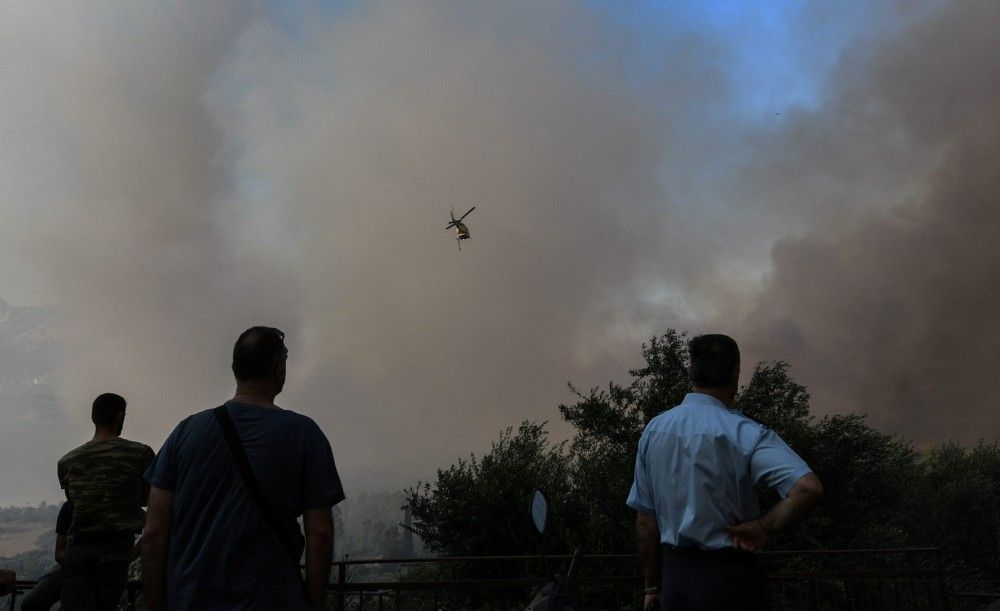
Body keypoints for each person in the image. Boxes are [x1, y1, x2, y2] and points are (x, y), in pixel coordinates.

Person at [142, 326, 345, 610]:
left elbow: (152, 534)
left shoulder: (185, 432)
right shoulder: (304, 434)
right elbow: (320, 535)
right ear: (279, 369)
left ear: (235, 368)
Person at [627, 334, 823, 611]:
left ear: (691, 372)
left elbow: (646, 522)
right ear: (735, 373)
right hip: (732, 580)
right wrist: (764, 527)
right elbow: (808, 488)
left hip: (676, 582)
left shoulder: (654, 430)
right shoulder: (745, 432)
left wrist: (652, 587)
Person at [57, 393, 154, 611]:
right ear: (120, 416)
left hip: (77, 551)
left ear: (94, 418)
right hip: (116, 550)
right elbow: (148, 499)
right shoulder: (140, 454)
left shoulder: (66, 462)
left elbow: (75, 504)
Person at [20, 501, 73, 611]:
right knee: (31, 604)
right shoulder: (69, 508)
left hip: (109, 567)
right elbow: (59, 554)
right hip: (71, 567)